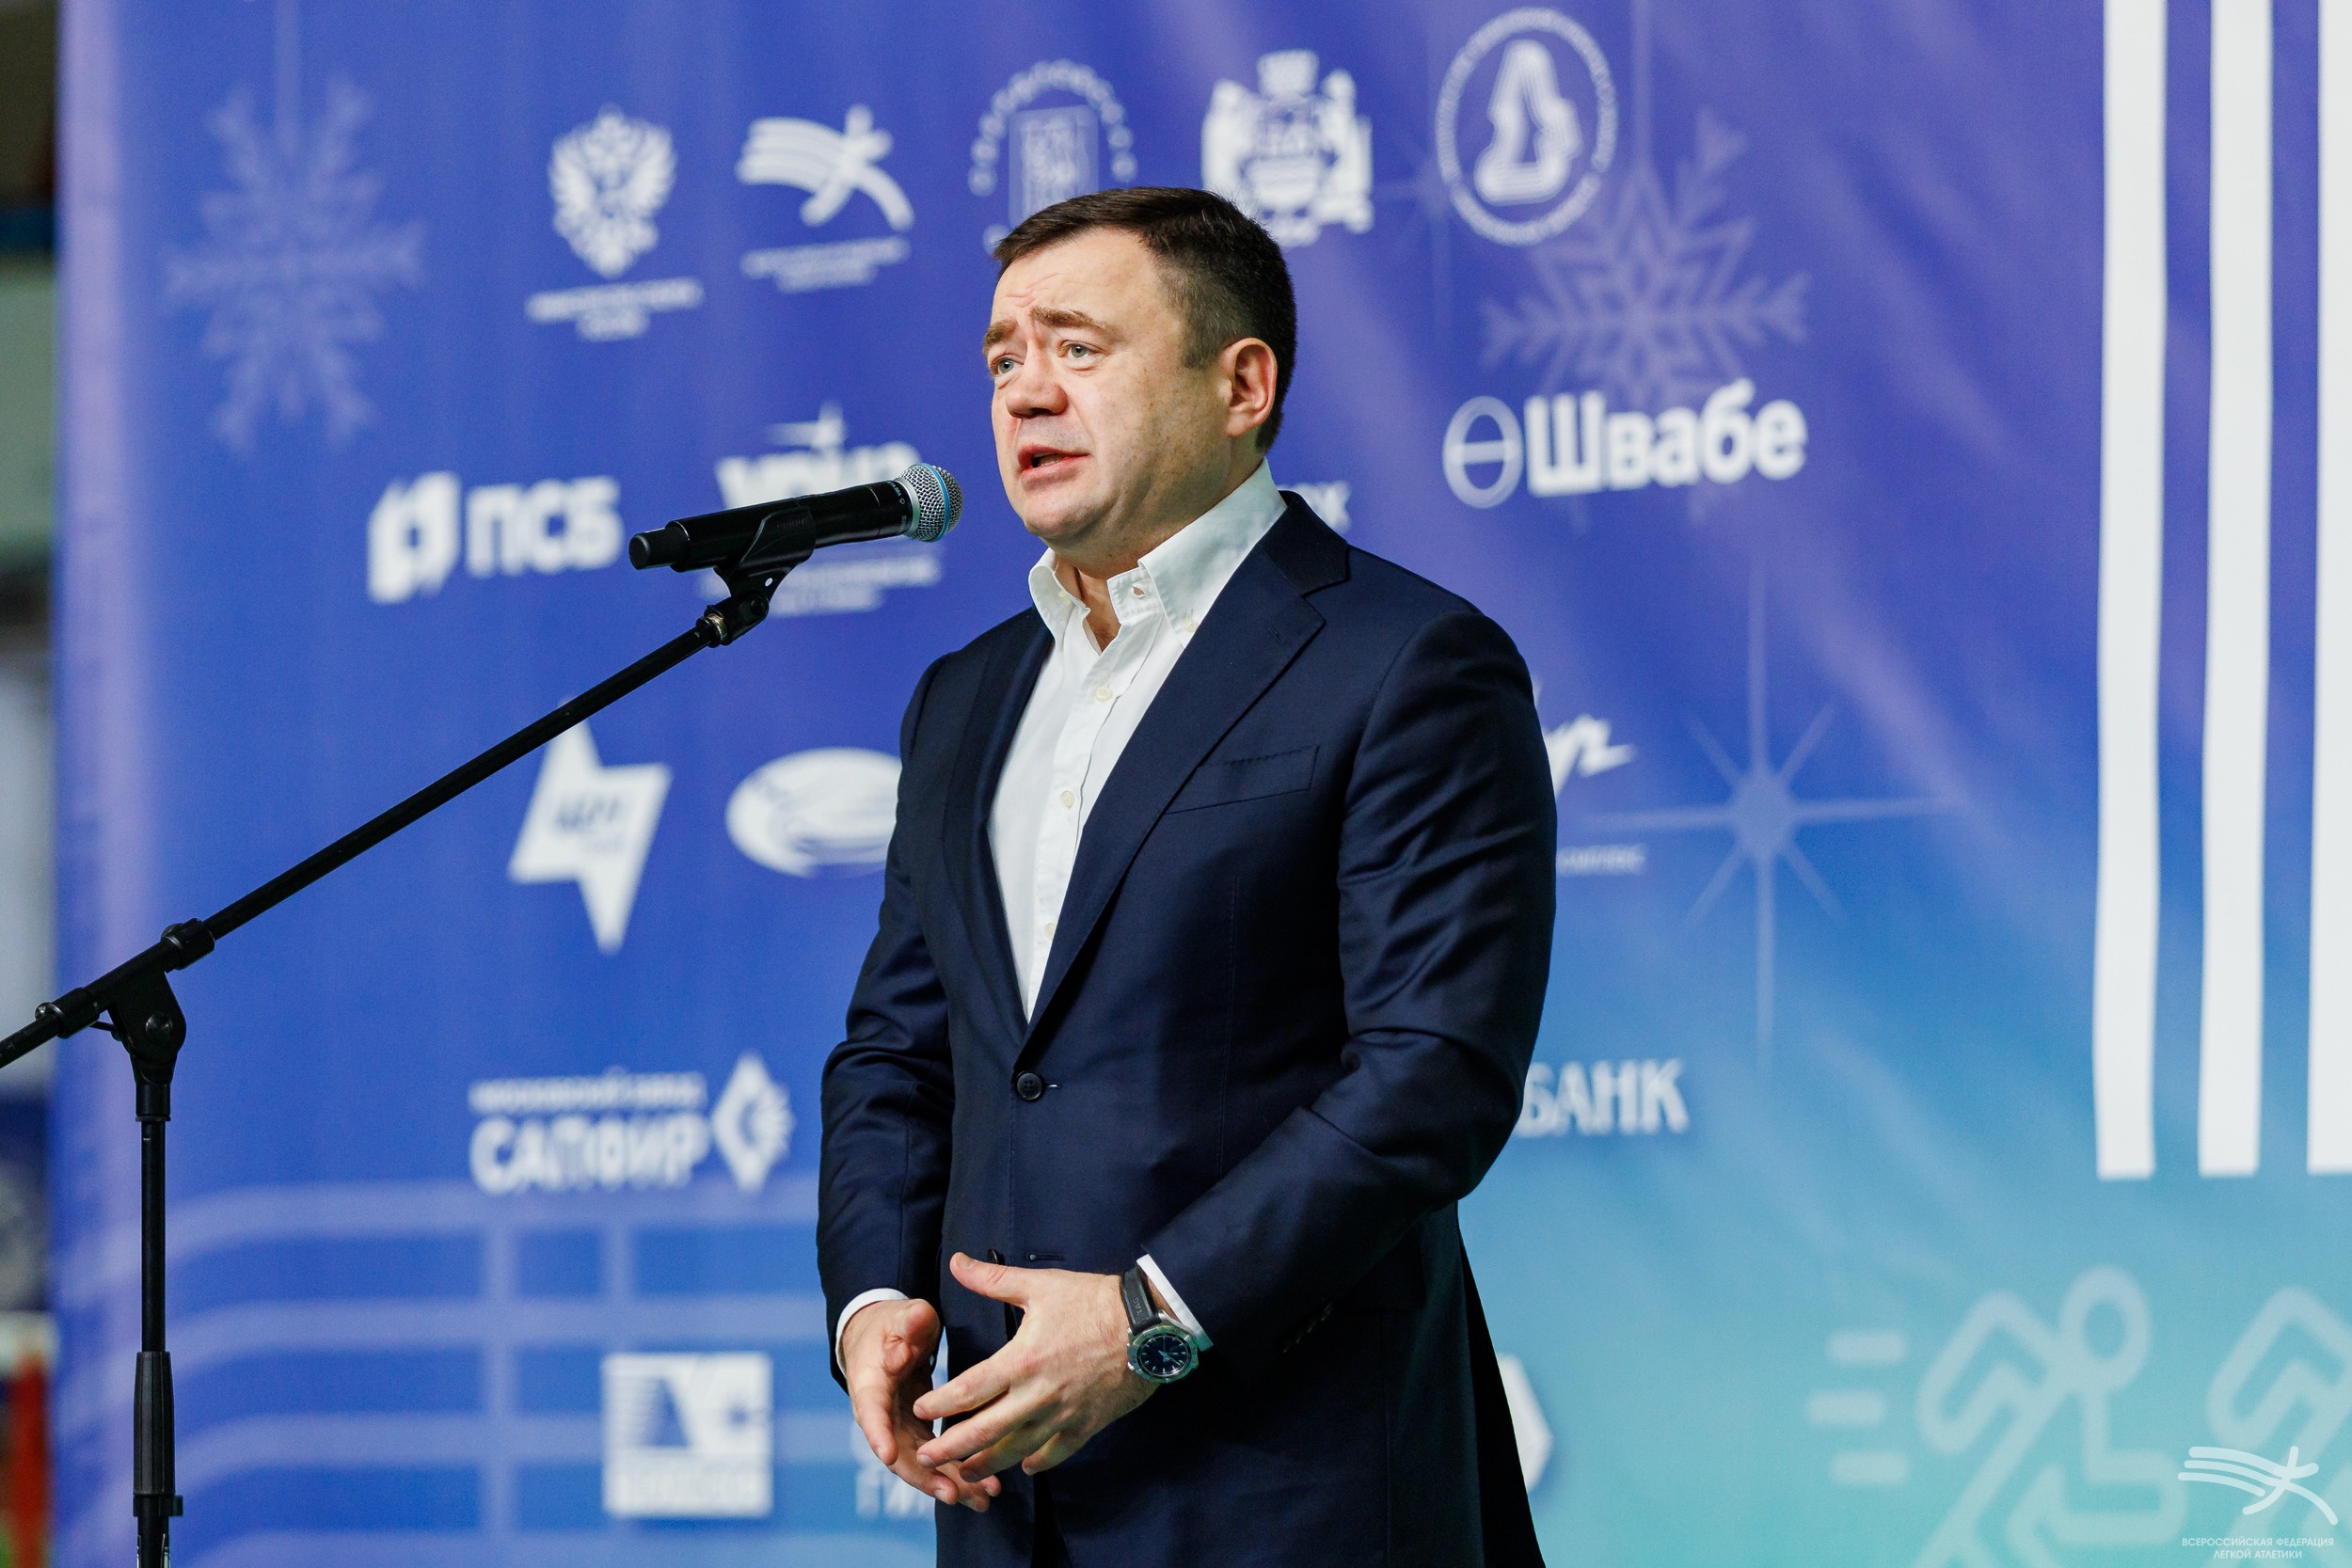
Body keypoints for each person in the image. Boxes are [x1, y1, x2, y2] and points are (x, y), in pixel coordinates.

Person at [818, 186, 1555, 1567]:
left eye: (1078, 347)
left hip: (1294, 1495)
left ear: (1242, 386)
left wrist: (1150, 1321)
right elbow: (900, 1055)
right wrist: (871, 1302)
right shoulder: (964, 698)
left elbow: (1431, 1074)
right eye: (1002, 358)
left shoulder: (1404, 661)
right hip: (1009, 1499)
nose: (1025, 390)